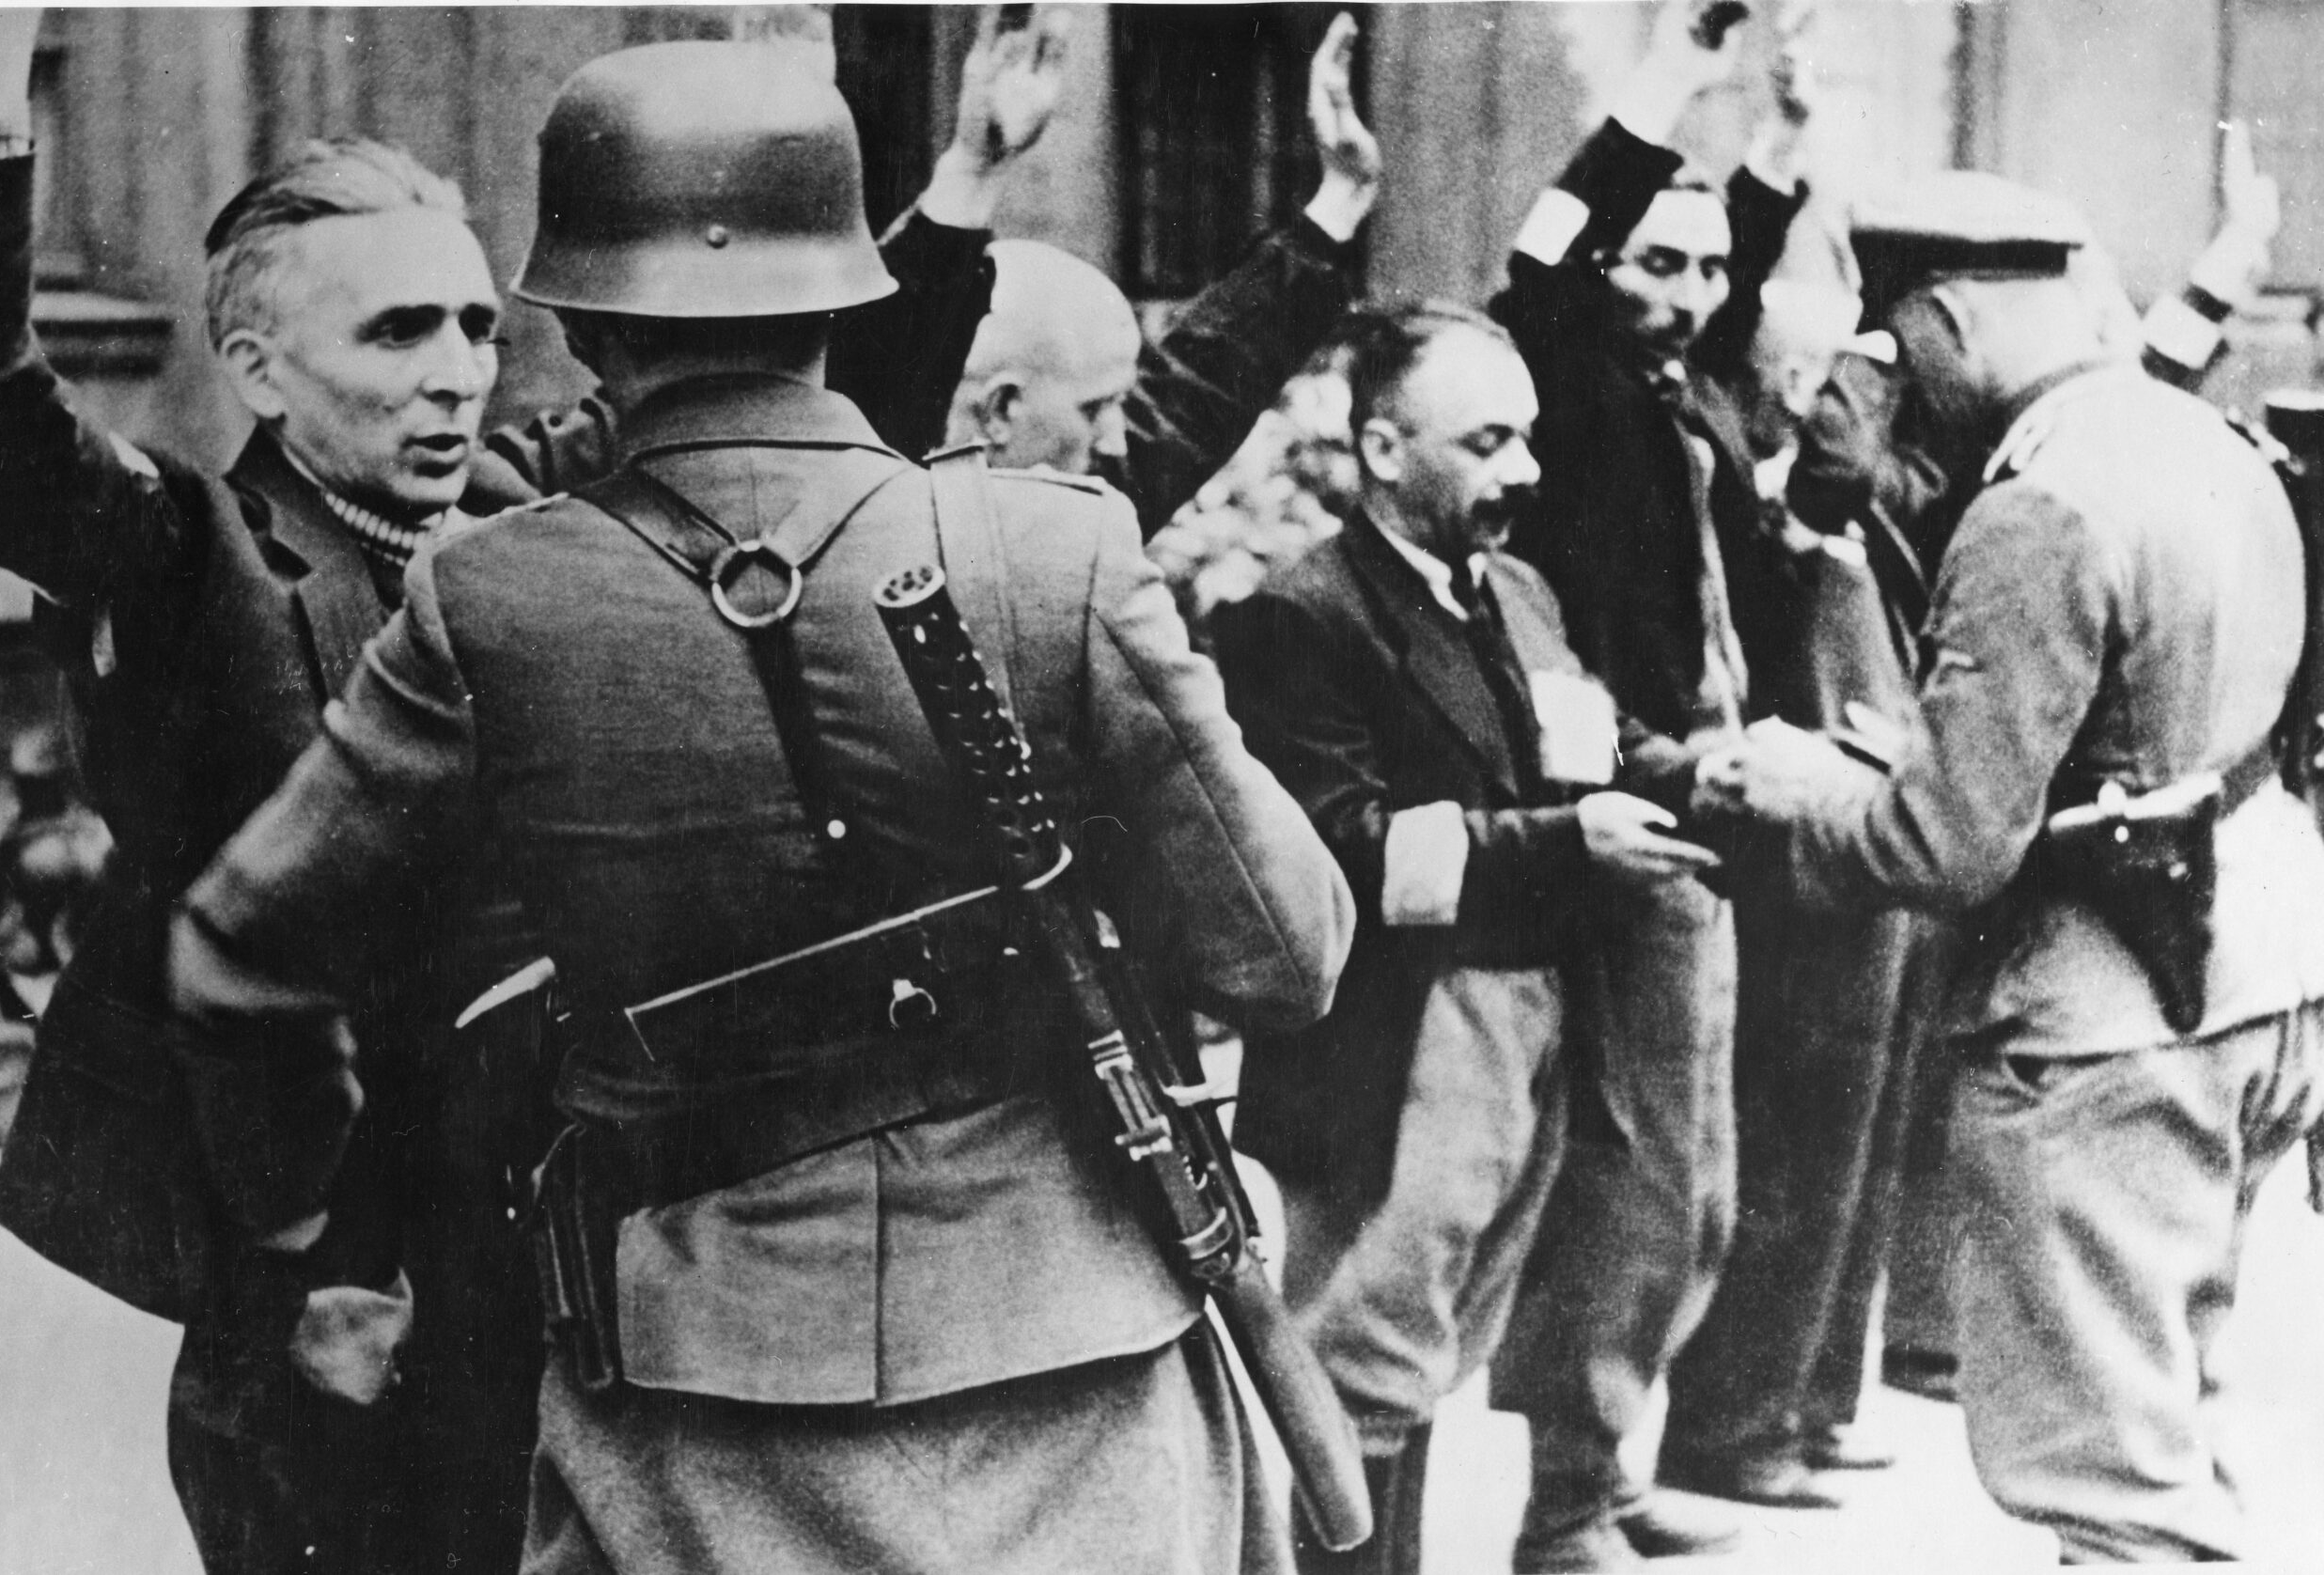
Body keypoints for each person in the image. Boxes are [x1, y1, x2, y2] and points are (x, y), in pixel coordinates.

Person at [165, 40, 1354, 1575]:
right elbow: (1287, 955)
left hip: (688, 1406)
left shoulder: (489, 600)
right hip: (1082, 1376)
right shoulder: (1060, 551)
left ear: (580, 318)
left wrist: (303, 1242)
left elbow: (239, 962)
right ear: (856, 293)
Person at [0, 9, 1067, 1569]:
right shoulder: (197, 565)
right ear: (255, 363)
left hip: (563, 1243)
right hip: (333, 1290)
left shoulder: (534, 504)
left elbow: (800, 394)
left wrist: (967, 176)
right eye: (396, 334)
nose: (458, 373)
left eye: (474, 323)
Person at [1726, 169, 2324, 1566]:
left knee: (2110, 1493)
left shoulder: (2037, 505)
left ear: (1942, 318)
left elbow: (1944, 848)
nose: (1894, 381)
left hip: (2107, 1022)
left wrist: (1814, 785)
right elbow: (2169, 738)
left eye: (1895, 345)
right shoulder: (2211, 446)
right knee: (2159, 1432)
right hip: (2252, 968)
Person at [1210, 302, 1724, 1575]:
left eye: (1529, 442)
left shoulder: (1518, 590)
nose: (1526, 475)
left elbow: (1587, 749)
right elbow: (1345, 848)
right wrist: (1567, 846)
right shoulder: (1305, 612)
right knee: (1367, 1352)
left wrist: (1708, 778)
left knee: (1433, 1346)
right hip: (1407, 1037)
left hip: (1530, 1015)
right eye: (1488, 443)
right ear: (1384, 451)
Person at [1474, 2, 1819, 1562]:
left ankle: (1610, 1469)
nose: (1687, 296)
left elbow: (1740, 254)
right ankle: (1565, 1508)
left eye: (1703, 270)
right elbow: (1547, 256)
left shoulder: (1682, 395)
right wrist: (1679, 67)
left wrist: (1779, 142)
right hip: (1631, 804)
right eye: (1655, 266)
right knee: (1638, 1177)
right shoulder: (1565, 379)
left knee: (1699, 1184)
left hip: (1709, 813)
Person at [1661, 275, 1923, 1489]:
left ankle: (1810, 1403)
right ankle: (1736, 1424)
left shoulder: (1865, 527)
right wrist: (1857, 355)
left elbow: (1858, 474)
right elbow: (1828, 462)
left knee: (1851, 1158)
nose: (1826, 408)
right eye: (1802, 380)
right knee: (1792, 1151)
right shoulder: (1757, 523)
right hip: (1801, 866)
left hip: (1874, 864)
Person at [944, 11, 1378, 538]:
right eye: (1095, 409)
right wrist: (967, 171)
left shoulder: (1070, 504)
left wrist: (1337, 205)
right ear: (999, 410)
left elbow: (1188, 400)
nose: (1113, 442)